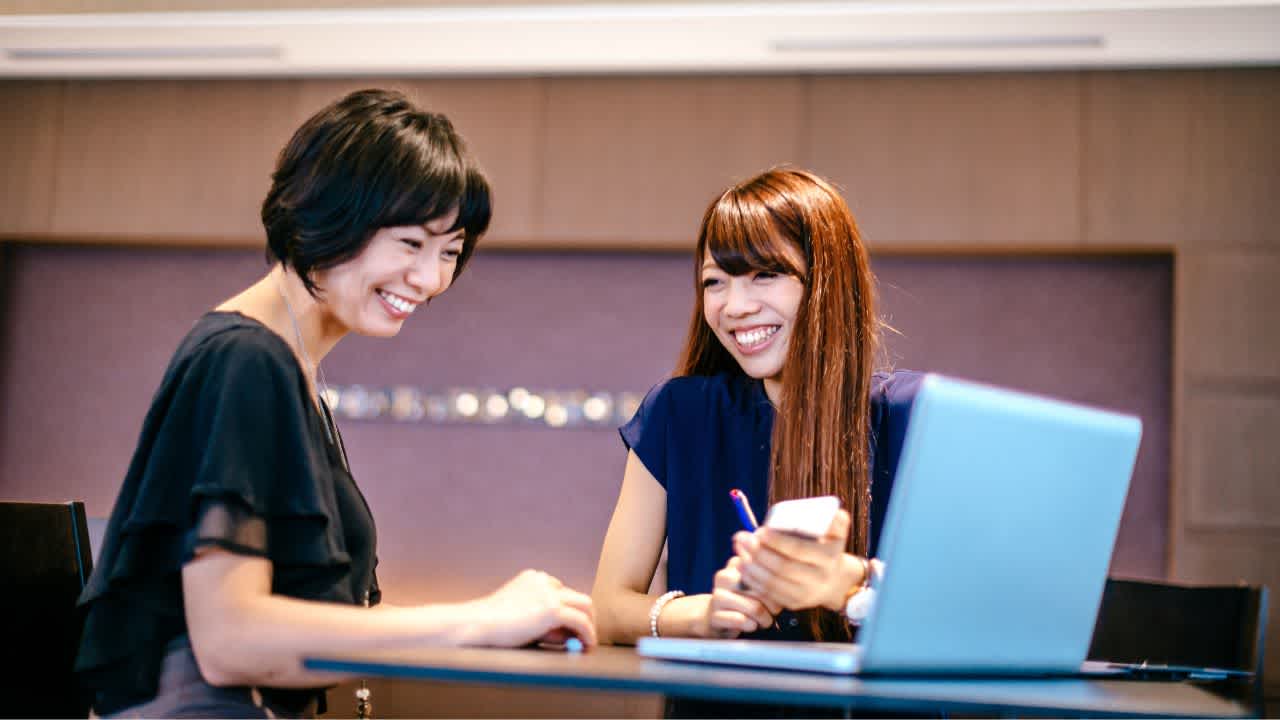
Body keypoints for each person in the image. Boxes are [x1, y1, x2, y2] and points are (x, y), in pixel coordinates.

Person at [75, 88, 596, 718]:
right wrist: (482, 619)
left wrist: (502, 622)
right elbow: (230, 641)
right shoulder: (247, 358)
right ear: (330, 215)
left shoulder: (292, 366)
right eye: (410, 244)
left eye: (450, 253)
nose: (431, 280)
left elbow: (320, 619)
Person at [591, 167, 922, 663]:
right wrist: (701, 616)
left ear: (828, 282)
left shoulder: (911, 416)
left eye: (765, 274)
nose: (735, 306)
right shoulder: (677, 414)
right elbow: (607, 609)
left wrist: (849, 586)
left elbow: (980, 613)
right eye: (714, 282)